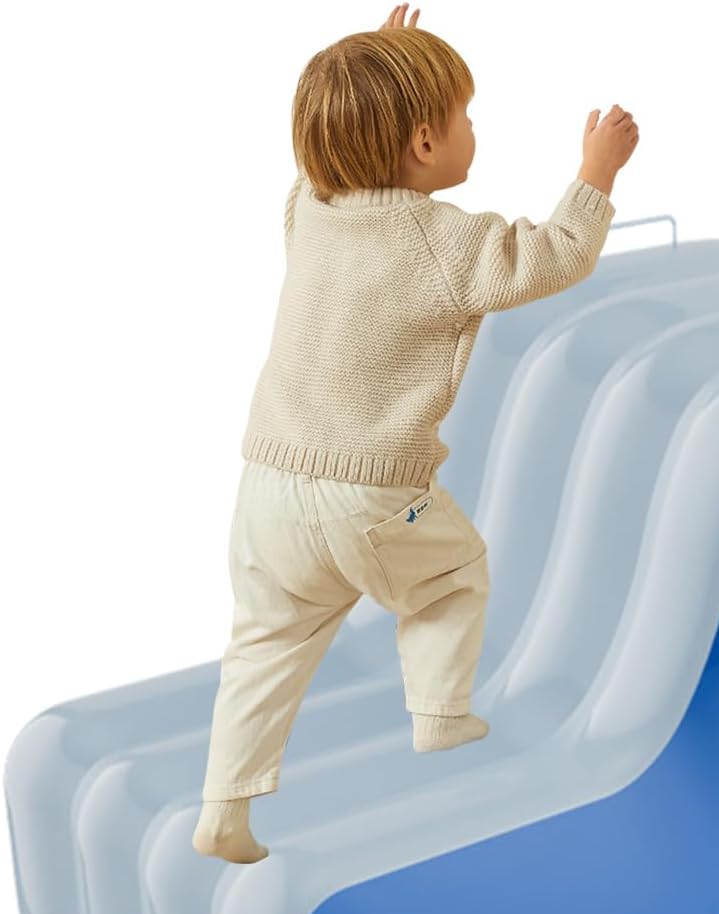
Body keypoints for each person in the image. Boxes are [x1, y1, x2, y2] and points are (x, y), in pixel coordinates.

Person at [192, 5, 639, 863]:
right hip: (366, 494)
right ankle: (439, 714)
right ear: (426, 144)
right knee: (451, 577)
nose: (474, 130)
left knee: (264, 647)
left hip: (267, 489)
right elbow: (554, 255)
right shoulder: (444, 242)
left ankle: (224, 808)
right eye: (465, 117)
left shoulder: (311, 210)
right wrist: (596, 173)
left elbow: (321, 162)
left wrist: (376, 70)